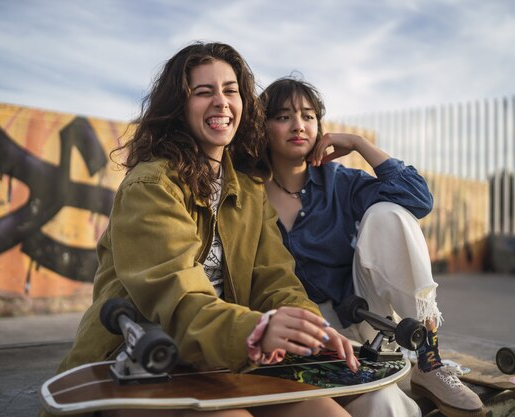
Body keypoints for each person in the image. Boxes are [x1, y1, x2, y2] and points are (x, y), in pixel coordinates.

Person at [38, 43, 359, 417]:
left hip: (225, 358)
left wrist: (310, 328)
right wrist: (255, 329)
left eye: (230, 90)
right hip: (139, 362)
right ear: (179, 106)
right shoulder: (151, 186)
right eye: (203, 92)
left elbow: (275, 279)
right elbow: (177, 300)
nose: (221, 102)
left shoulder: (250, 188)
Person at [260, 77, 486, 417]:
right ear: (263, 126)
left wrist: (359, 143)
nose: (298, 126)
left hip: (363, 316)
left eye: (308, 116)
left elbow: (418, 200)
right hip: (299, 331)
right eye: (283, 116)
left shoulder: (339, 182)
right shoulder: (247, 192)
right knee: (386, 404)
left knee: (389, 214)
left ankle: (428, 358)